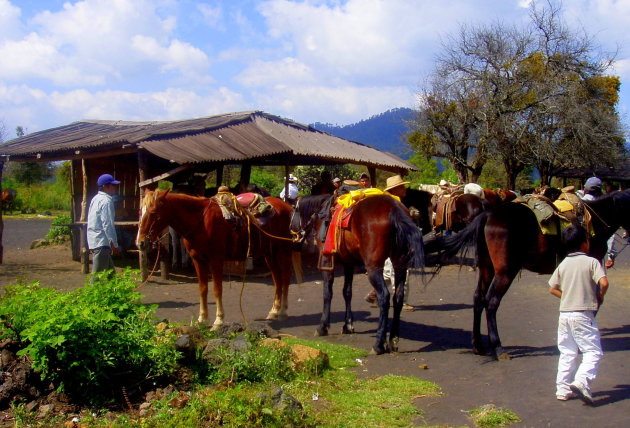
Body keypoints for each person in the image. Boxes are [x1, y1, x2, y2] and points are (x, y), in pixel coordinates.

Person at [548, 224, 608, 405]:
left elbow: (552, 289)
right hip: (583, 315)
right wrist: (599, 296)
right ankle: (582, 381)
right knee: (593, 352)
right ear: (584, 244)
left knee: (567, 352)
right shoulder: (591, 262)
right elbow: (604, 283)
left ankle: (562, 389)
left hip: (565, 314)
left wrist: (567, 297)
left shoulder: (563, 264)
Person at [365, 174, 415, 311]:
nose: (405, 189)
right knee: (400, 270)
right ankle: (402, 301)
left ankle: (374, 294)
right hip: (395, 244)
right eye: (402, 187)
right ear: (395, 189)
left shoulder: (387, 203)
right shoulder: (395, 205)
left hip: (385, 244)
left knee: (387, 270)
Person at [580, 177, 616, 269]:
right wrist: (610, 255)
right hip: (595, 252)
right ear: (599, 190)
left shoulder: (578, 204)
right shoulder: (603, 208)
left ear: (585, 189)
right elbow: (610, 235)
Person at [87, 173, 120, 274]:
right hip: (101, 242)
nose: (114, 187)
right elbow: (108, 224)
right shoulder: (106, 201)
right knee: (97, 277)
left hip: (96, 239)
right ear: (105, 186)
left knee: (111, 276)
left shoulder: (95, 198)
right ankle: (91, 290)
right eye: (112, 185)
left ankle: (117, 290)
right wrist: (114, 243)